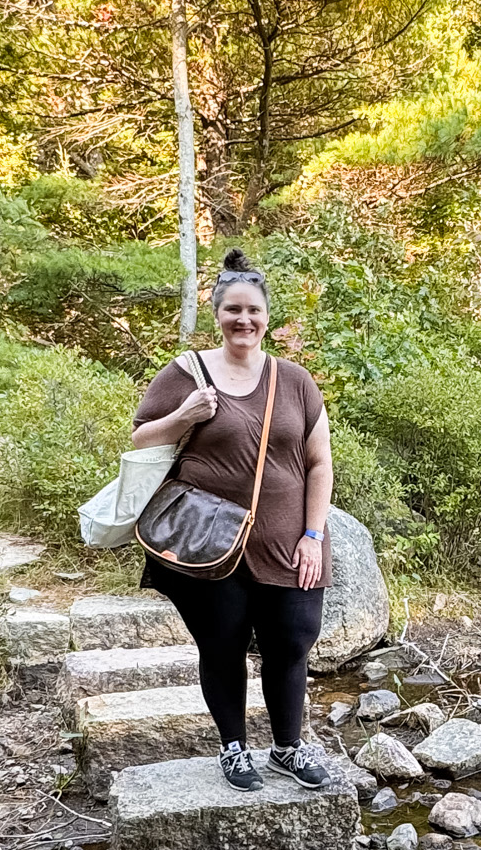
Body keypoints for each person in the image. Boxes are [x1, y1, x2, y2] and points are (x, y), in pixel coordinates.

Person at [130, 248, 334, 791]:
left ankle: (287, 747)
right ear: (217, 314)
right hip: (208, 541)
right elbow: (139, 437)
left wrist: (313, 535)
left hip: (290, 538)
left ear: (267, 317)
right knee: (221, 645)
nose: (244, 320)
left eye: (254, 310)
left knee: (292, 640)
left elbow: (319, 463)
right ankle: (234, 748)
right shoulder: (186, 373)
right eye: (232, 310)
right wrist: (184, 415)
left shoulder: (295, 381)